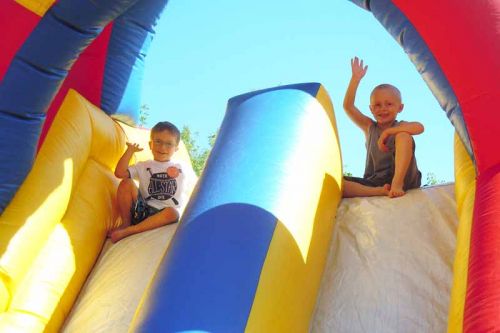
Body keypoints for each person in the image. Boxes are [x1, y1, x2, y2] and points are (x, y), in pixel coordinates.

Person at [342, 57, 424, 198]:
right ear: (371, 109)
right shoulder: (369, 127)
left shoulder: (401, 126)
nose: (383, 109)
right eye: (377, 105)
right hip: (375, 182)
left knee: (404, 135)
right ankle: (379, 192)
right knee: (339, 185)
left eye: (389, 104)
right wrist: (355, 79)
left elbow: (420, 127)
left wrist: (389, 132)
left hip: (405, 179)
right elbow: (348, 107)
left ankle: (396, 183)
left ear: (400, 107)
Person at [109, 121, 188, 243]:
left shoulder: (181, 167)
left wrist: (177, 172)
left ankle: (130, 231)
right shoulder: (143, 166)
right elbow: (119, 173)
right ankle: (126, 223)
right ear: (150, 144)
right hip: (143, 209)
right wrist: (129, 151)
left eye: (169, 144)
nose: (162, 147)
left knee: (173, 212)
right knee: (126, 183)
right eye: (158, 141)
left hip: (163, 215)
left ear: (176, 148)